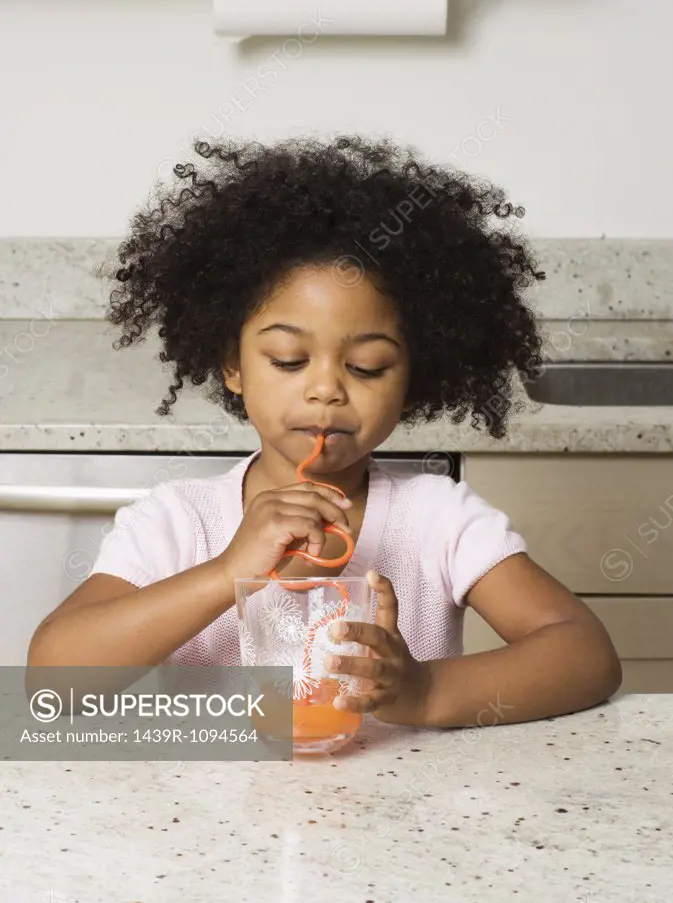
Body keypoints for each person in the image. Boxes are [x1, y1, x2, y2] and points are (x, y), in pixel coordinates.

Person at [28, 134, 622, 727]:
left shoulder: (439, 519)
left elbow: (586, 656)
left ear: (414, 381)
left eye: (366, 367)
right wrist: (227, 573)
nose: (326, 389)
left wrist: (425, 693)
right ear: (233, 367)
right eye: (288, 359)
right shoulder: (178, 522)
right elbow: (52, 679)